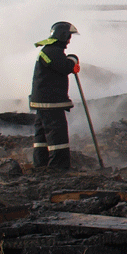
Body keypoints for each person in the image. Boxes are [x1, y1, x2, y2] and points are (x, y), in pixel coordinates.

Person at [29, 21, 79, 169]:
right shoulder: (51, 52)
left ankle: (41, 164)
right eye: (69, 36)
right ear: (63, 35)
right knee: (57, 134)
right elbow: (64, 67)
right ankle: (58, 167)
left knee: (42, 136)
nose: (69, 40)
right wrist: (73, 59)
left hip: (44, 101)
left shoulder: (50, 51)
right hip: (50, 102)